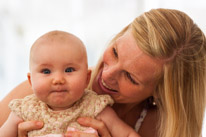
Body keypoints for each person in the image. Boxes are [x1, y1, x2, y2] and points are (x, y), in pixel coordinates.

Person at [0, 8, 206, 137]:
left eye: (130, 77)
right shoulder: (42, 92)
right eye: (115, 52)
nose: (106, 75)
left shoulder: (162, 127)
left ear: (161, 92)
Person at [0, 30, 140, 137]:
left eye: (69, 70)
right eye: (46, 71)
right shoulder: (25, 110)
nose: (58, 79)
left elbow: (128, 134)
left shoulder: (95, 107)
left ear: (86, 78)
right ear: (31, 80)